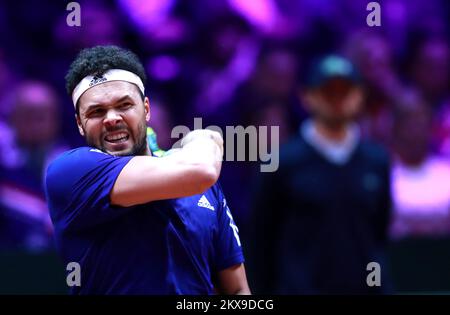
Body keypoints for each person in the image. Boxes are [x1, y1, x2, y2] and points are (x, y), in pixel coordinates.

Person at [44, 45, 250, 295]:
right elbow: (202, 170)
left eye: (124, 105)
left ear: (147, 109)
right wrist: (203, 139)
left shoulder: (203, 186)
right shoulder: (69, 172)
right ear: (79, 123)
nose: (111, 118)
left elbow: (238, 292)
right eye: (97, 111)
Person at [249, 55, 392, 294]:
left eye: (345, 92)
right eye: (328, 92)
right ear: (307, 96)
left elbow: (379, 232)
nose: (337, 100)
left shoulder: (377, 160)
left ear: (360, 96)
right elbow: (261, 240)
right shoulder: (281, 162)